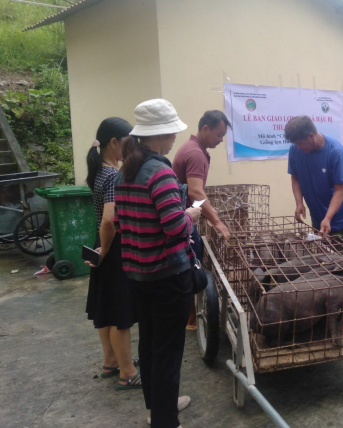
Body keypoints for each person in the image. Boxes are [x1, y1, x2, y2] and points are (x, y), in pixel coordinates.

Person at [115, 99, 201, 428]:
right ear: (160, 135)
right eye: (171, 133)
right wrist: (190, 215)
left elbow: (123, 223)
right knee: (168, 352)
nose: (174, 138)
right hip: (168, 276)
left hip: (139, 275)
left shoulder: (127, 172)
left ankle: (158, 406)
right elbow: (175, 228)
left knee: (150, 344)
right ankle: (165, 421)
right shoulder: (160, 172)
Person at [84, 117, 141, 391]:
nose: (131, 150)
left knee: (105, 307)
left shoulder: (98, 171)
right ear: (114, 143)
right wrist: (106, 250)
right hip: (112, 246)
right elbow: (110, 220)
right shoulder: (113, 175)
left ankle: (111, 361)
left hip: (101, 244)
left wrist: (100, 249)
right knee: (121, 314)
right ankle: (128, 372)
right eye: (128, 144)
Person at [173, 110, 231, 331]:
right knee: (191, 268)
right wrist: (216, 220)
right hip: (185, 222)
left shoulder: (193, 149)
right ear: (205, 129)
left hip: (185, 217)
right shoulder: (195, 153)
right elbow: (197, 193)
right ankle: (190, 319)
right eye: (218, 134)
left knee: (190, 266)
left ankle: (189, 316)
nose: (220, 140)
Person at [285, 115, 343, 239]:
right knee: (320, 255)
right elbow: (295, 178)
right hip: (317, 214)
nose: (298, 147)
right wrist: (299, 202)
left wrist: (327, 218)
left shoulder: (336, 152)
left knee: (336, 256)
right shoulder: (295, 150)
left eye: (300, 144)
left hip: (337, 216)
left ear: (311, 136)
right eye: (296, 144)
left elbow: (340, 190)